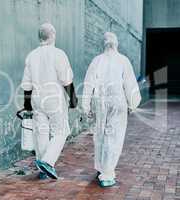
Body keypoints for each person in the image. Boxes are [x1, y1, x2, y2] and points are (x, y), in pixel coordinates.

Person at [82, 32, 141, 187]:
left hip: (100, 100)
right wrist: (132, 103)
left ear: (104, 44)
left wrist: (86, 106)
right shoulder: (123, 60)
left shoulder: (97, 60)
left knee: (100, 133)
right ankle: (107, 173)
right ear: (116, 43)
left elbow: (88, 83)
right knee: (113, 135)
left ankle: (101, 167)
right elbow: (130, 84)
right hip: (117, 101)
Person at [21, 23, 78, 179]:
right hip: (55, 99)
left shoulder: (32, 55)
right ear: (52, 35)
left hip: (37, 100)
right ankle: (47, 162)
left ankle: (42, 169)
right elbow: (67, 80)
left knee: (41, 134)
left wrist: (27, 105)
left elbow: (27, 84)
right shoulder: (59, 54)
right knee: (62, 131)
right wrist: (73, 99)